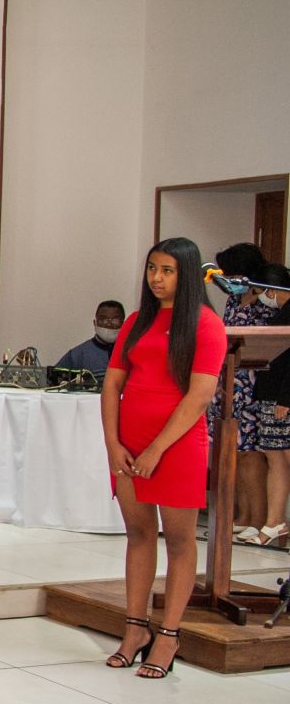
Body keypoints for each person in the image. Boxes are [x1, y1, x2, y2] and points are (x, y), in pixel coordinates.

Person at [101, 237, 226, 679]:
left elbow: (200, 395)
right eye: (152, 268)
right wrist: (113, 443)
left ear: (186, 274)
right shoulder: (137, 321)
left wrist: (157, 448)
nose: (156, 278)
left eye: (167, 270)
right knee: (138, 534)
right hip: (129, 444)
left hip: (177, 445)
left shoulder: (206, 325)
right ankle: (135, 629)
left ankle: (169, 634)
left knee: (178, 540)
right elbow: (112, 384)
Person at [212, 242, 274, 538]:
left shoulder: (266, 301)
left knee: (251, 455)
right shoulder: (233, 301)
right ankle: (242, 513)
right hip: (229, 382)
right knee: (232, 450)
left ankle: (258, 518)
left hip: (254, 385)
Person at [253, 264, 290, 547]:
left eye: (264, 291)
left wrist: (285, 398)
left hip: (283, 397)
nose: (263, 297)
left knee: (284, 457)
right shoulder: (281, 312)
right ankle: (275, 521)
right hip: (271, 393)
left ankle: (276, 520)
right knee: (274, 457)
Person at [55, 301, 126, 373]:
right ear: (95, 323)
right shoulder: (78, 354)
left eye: (115, 320)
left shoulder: (129, 352)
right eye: (103, 320)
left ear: (124, 323)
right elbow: (54, 376)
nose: (109, 324)